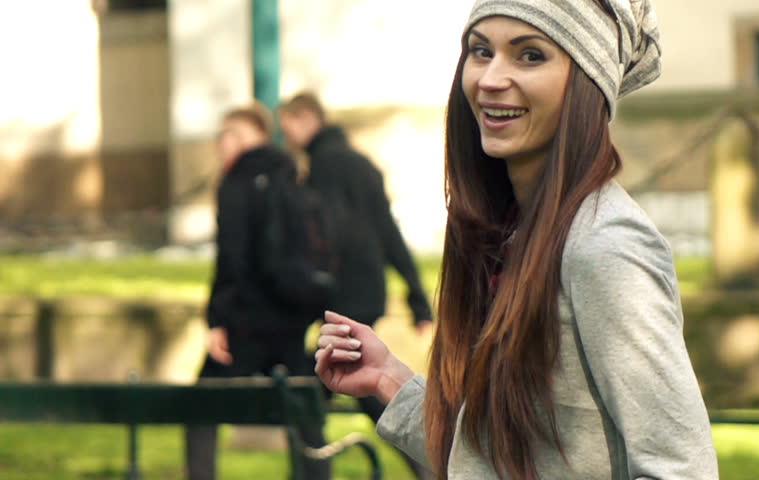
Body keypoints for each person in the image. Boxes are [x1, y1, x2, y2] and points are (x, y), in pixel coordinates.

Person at [314, 1, 720, 479]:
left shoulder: (604, 245)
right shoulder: (507, 233)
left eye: (530, 55)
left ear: (588, 83)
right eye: (480, 51)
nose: (489, 78)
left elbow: (681, 468)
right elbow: (505, 460)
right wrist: (390, 381)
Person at [278, 92, 436, 479]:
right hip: (368, 290)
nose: (289, 138)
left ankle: (427, 464)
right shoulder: (360, 163)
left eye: (289, 129)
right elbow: (389, 231)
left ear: (305, 119)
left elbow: (325, 234)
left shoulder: (323, 166)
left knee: (333, 383)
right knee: (336, 380)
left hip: (342, 291)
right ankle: (426, 465)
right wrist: (416, 296)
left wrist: (314, 285)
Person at [185, 103, 330, 480]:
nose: (220, 145)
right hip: (290, 317)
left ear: (238, 138)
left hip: (246, 322)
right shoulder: (291, 174)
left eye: (225, 135)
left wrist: (216, 319)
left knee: (201, 407)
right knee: (302, 411)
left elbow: (231, 258)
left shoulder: (236, 182)